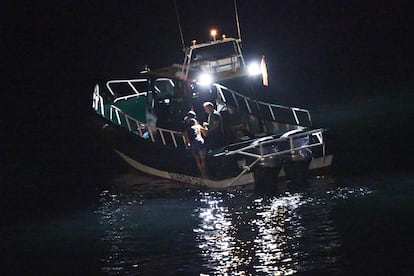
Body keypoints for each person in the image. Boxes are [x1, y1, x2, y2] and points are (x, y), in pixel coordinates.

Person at [183, 112, 207, 178]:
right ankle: (205, 175)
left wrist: (187, 146)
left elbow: (187, 141)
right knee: (203, 159)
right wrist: (205, 125)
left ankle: (202, 174)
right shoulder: (198, 126)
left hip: (192, 144)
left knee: (197, 160)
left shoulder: (186, 130)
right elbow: (205, 132)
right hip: (199, 142)